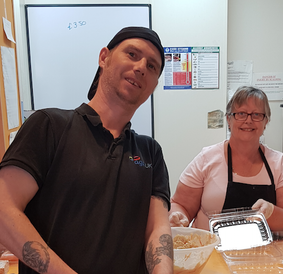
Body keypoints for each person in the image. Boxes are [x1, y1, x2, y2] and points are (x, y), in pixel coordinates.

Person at [0, 27, 173, 274]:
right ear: (104, 57)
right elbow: (3, 209)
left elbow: (157, 229)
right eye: (132, 54)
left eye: (153, 66)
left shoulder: (150, 152)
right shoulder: (49, 126)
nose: (142, 67)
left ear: (154, 85)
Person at [169, 86, 283, 231]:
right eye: (241, 113)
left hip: (262, 252)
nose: (248, 120)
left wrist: (271, 212)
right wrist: (177, 216)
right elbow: (180, 204)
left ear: (266, 122)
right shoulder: (207, 159)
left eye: (257, 114)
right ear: (229, 120)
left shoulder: (278, 163)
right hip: (211, 250)